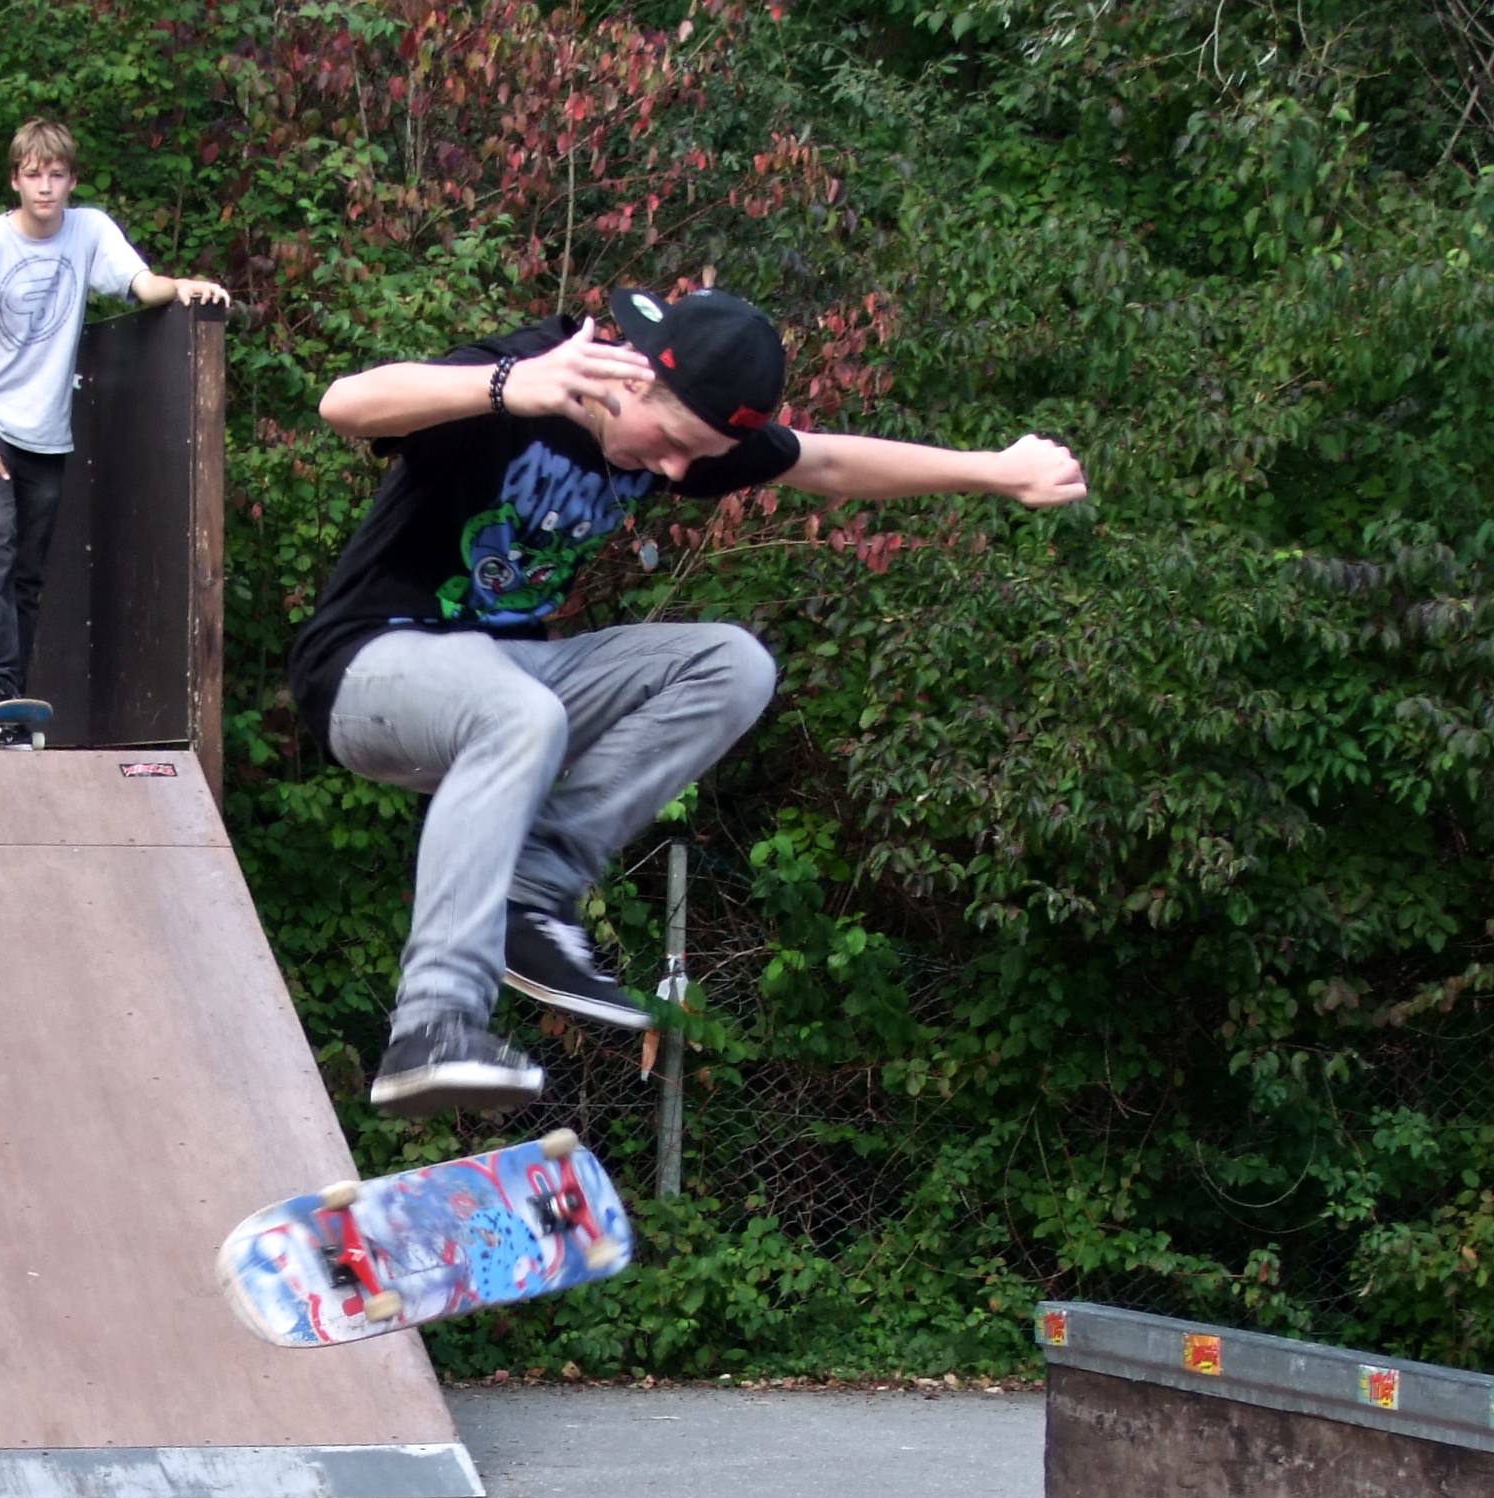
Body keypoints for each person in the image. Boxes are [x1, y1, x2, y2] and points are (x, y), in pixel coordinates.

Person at [290, 287, 1088, 1116]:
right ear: (632, 380)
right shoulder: (539, 371)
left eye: (694, 458)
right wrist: (504, 386)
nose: (675, 472)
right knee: (521, 711)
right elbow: (344, 404)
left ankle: (532, 889)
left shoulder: (686, 436)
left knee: (732, 665)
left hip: (505, 676)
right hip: (366, 668)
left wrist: (995, 471)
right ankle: (432, 1023)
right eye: (670, 445)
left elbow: (822, 463)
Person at [0, 118, 228, 718]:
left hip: (46, 432)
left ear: (72, 180)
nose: (45, 187)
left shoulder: (90, 229)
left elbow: (140, 284)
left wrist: (183, 287)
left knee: (27, 571)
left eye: (56, 175)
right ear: (15, 180)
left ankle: (7, 702)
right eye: (33, 175)